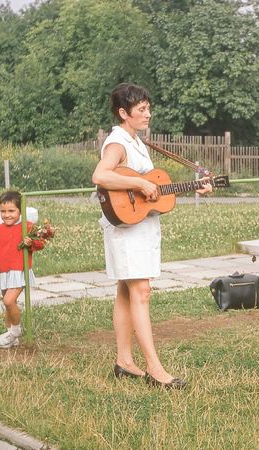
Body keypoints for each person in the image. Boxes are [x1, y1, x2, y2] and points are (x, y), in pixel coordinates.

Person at [92, 83, 211, 389]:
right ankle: (156, 370)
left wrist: (193, 187)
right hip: (127, 231)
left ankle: (124, 361)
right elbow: (100, 176)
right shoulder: (117, 141)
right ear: (123, 113)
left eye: (148, 108)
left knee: (125, 290)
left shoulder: (137, 141)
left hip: (138, 226)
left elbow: (156, 190)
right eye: (141, 109)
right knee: (141, 292)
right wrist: (139, 186)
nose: (148, 114)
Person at [0, 190, 44, 349]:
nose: (7, 215)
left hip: (19, 271)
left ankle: (15, 331)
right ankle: (11, 338)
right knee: (9, 305)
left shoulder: (27, 227)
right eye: (3, 211)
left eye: (11, 211)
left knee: (8, 301)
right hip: (4, 272)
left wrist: (31, 243)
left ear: (20, 211)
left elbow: (40, 244)